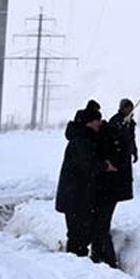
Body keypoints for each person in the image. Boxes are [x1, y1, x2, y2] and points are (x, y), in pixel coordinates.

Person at [55, 108, 113, 259]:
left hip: (78, 196)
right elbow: (87, 163)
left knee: (80, 234)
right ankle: (75, 267)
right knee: (78, 236)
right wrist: (106, 166)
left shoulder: (84, 137)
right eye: (97, 120)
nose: (100, 123)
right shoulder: (81, 141)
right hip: (75, 197)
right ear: (90, 122)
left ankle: (77, 263)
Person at [92, 98, 137, 267]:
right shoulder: (115, 125)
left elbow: (129, 142)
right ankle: (103, 258)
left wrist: (134, 150)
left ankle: (105, 259)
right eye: (127, 108)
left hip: (110, 186)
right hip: (108, 186)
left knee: (101, 224)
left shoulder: (127, 125)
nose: (129, 110)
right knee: (101, 225)